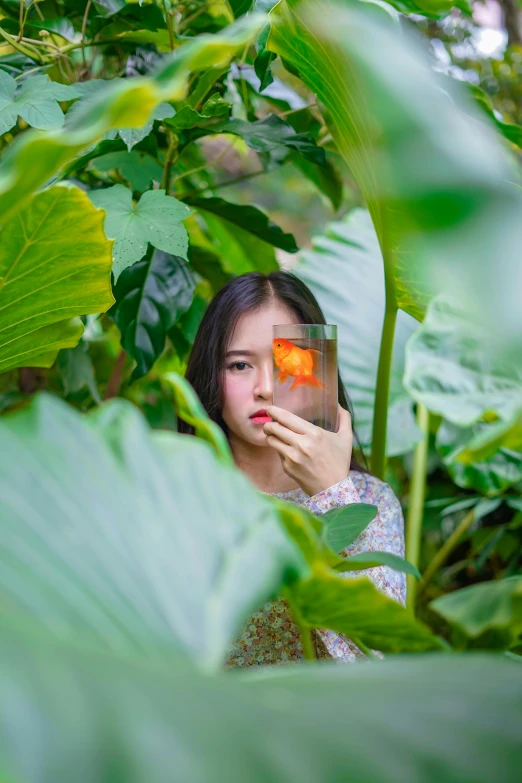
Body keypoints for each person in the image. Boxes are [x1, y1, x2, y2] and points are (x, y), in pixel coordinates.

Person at [178, 270, 406, 665]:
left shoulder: (372, 501)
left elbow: (374, 661)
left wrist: (332, 492)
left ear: (319, 372)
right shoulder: (176, 493)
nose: (265, 387)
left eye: (288, 361)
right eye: (239, 365)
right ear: (210, 374)